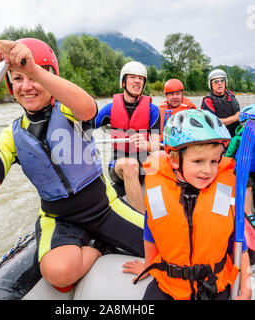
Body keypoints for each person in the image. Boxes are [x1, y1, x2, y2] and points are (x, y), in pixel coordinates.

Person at [0, 38, 145, 292]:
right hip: (59, 218)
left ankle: (98, 241)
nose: (27, 86)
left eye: (34, 77)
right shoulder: (10, 137)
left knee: (170, 246)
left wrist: (33, 68)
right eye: (18, 79)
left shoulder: (68, 108)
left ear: (51, 79)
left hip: (103, 207)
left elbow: (88, 108)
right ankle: (96, 252)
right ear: (10, 86)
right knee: (58, 272)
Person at [124, 109, 252, 300]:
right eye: (198, 161)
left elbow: (239, 244)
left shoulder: (224, 192)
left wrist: (246, 288)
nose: (207, 170)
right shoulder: (158, 190)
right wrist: (147, 265)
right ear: (175, 160)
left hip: (214, 287)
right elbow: (150, 233)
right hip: (168, 284)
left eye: (214, 161)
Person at [93, 61, 160, 214]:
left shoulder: (152, 110)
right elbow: (86, 126)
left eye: (141, 78)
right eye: (132, 77)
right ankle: (140, 223)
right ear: (123, 82)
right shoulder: (110, 108)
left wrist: (146, 145)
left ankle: (162, 213)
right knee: (130, 165)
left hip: (144, 161)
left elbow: (155, 146)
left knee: (161, 156)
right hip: (119, 165)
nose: (137, 81)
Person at [225, 104, 255, 263]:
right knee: (248, 189)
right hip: (242, 172)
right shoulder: (237, 139)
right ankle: (248, 213)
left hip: (250, 172)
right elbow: (229, 156)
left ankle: (250, 213)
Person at [201, 69, 240, 138]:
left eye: (222, 80)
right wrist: (235, 118)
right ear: (211, 84)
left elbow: (238, 113)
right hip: (219, 136)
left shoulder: (230, 94)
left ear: (225, 83)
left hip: (236, 132)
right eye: (216, 81)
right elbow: (212, 123)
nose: (219, 83)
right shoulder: (208, 100)